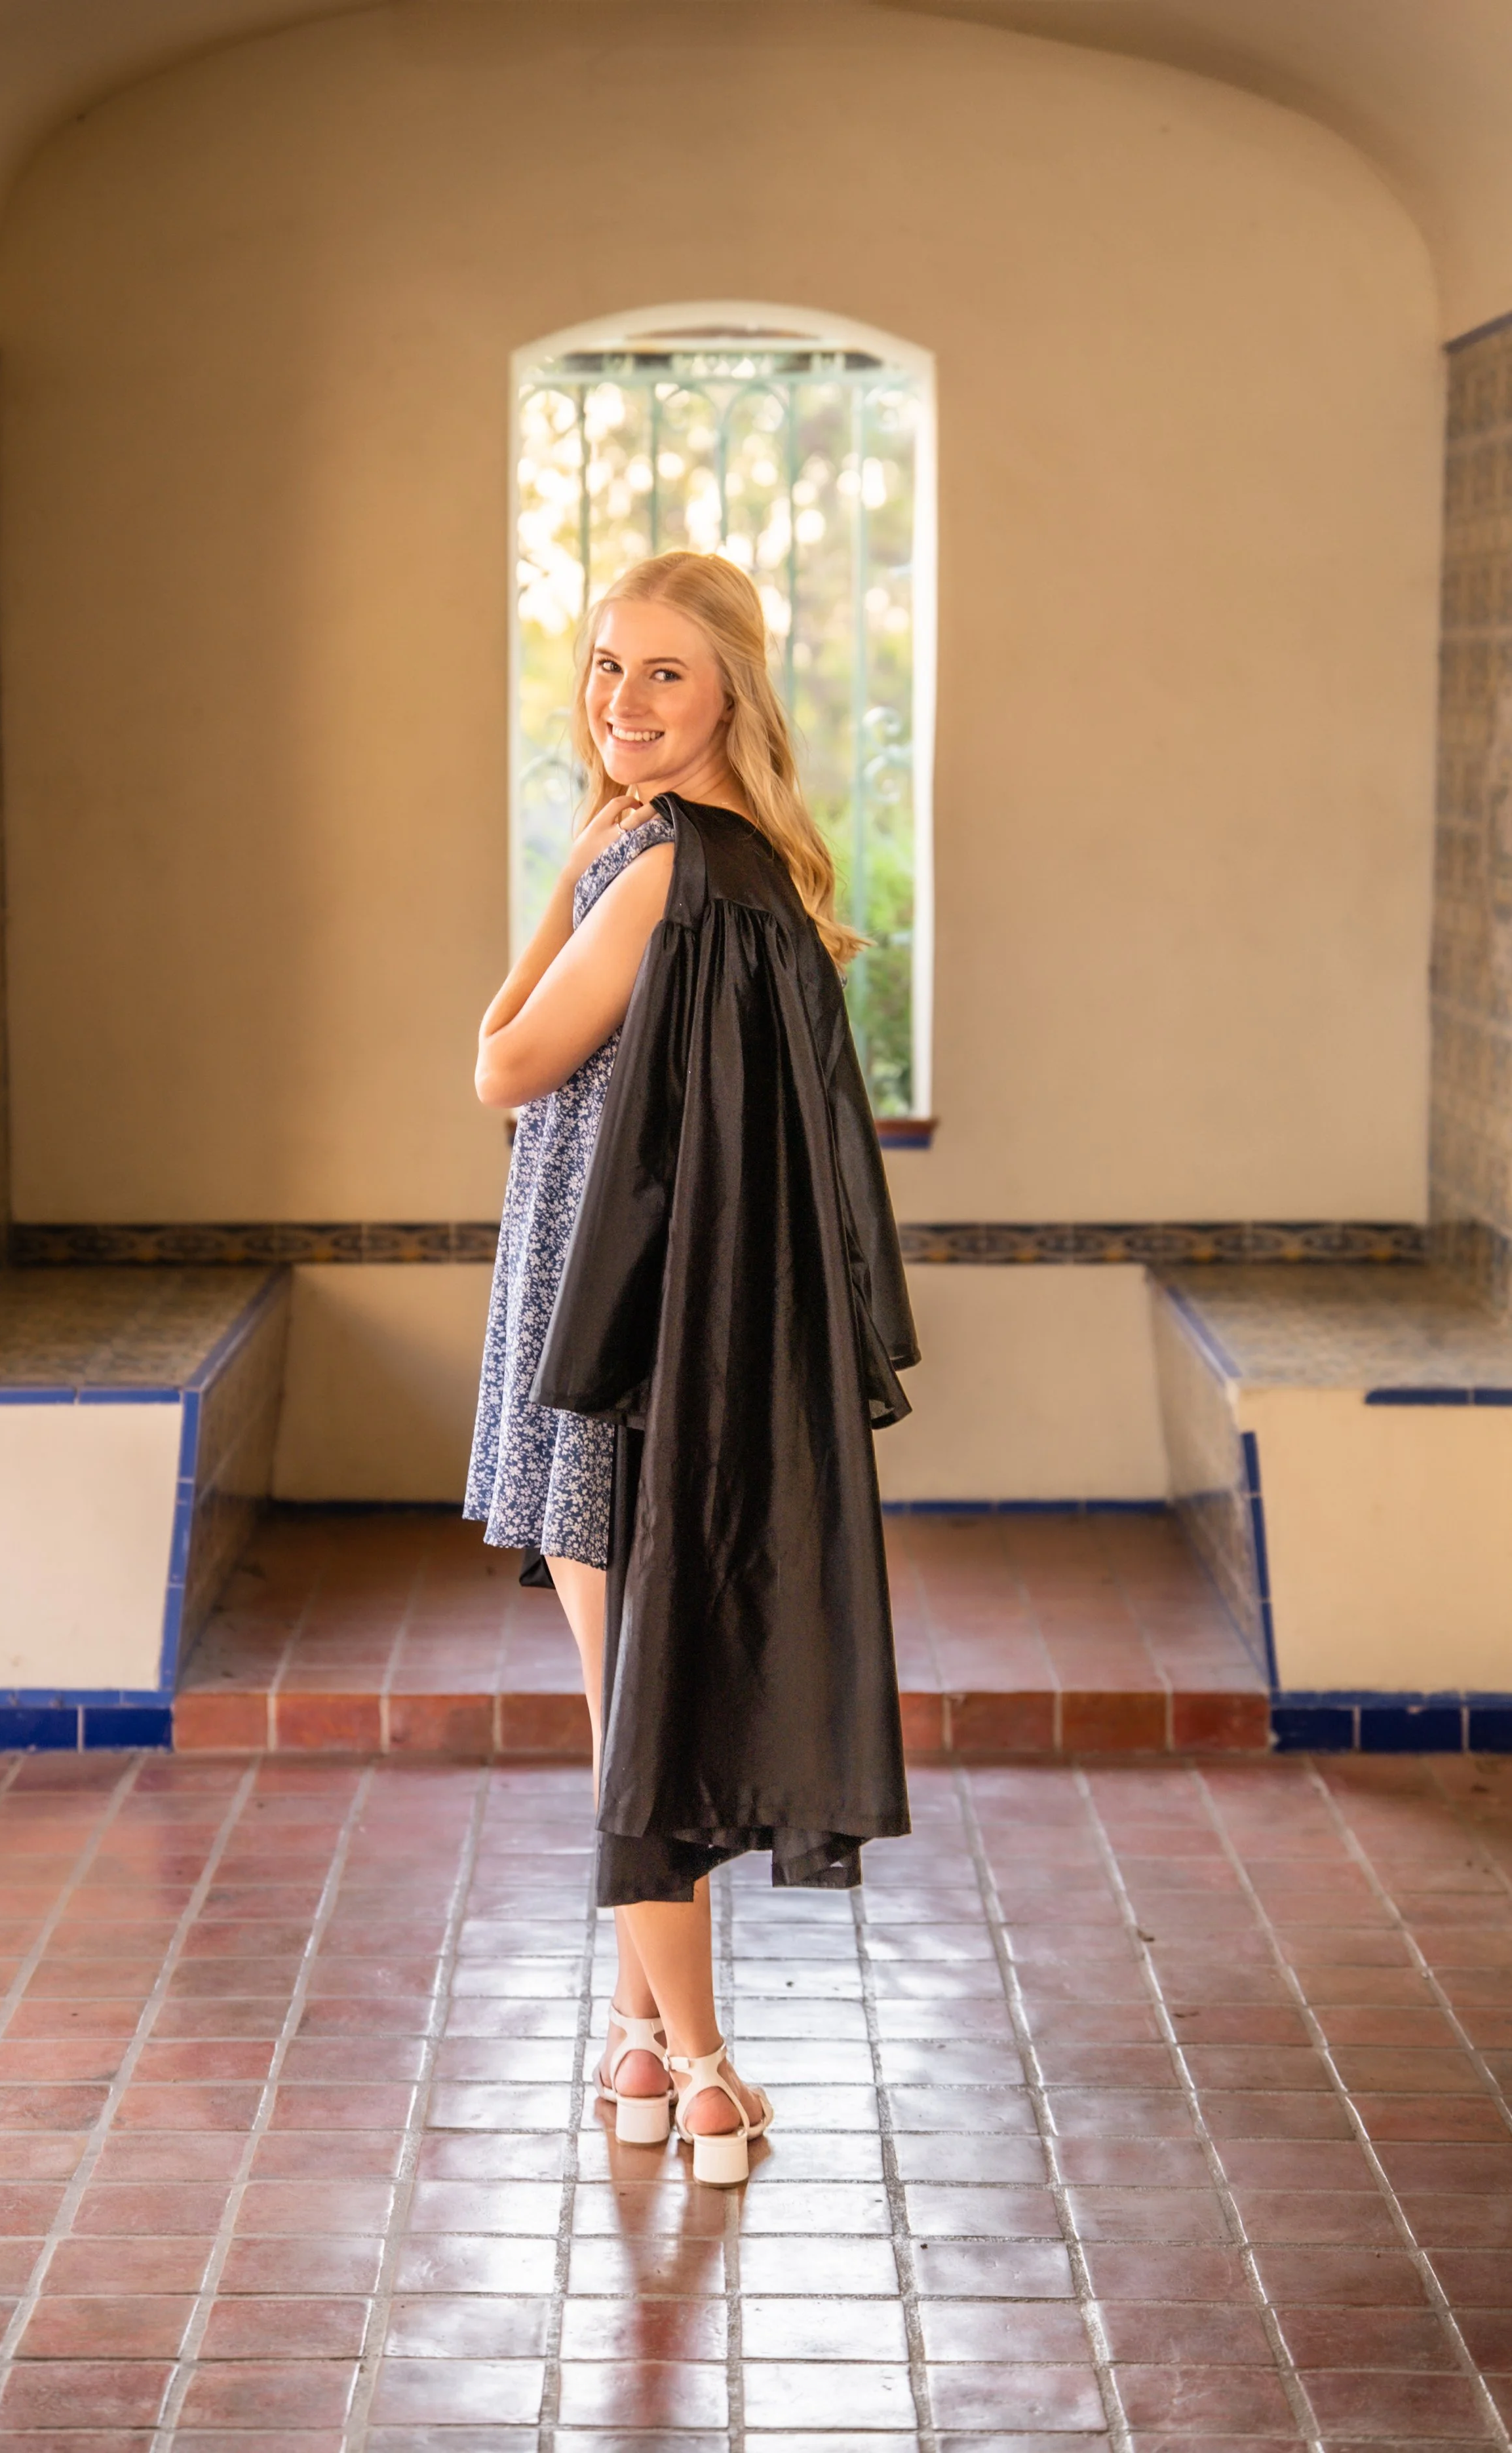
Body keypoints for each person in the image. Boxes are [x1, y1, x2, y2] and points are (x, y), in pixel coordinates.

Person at [467, 550, 916, 2184]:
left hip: (613, 1331)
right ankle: (637, 2044)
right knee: (624, 1705)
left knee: (624, 1724)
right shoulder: (755, 866)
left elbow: (502, 1060)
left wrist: (566, 873)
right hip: (664, 1317)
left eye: (662, 672)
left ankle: (707, 2070)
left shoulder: (656, 861)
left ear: (730, 685)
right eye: (603, 666)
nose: (620, 700)